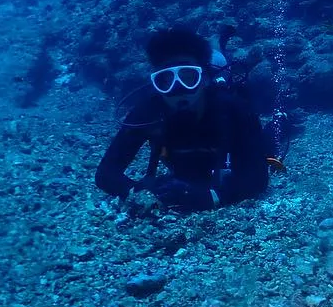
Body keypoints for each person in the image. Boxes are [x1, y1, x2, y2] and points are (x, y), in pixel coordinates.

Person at [96, 27, 272, 210]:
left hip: (226, 162)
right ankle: (215, 43)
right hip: (189, 173)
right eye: (166, 80)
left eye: (188, 77)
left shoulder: (232, 109)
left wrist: (211, 197)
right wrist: (141, 193)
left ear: (204, 78)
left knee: (269, 145)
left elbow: (257, 178)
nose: (178, 88)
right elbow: (106, 174)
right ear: (156, 84)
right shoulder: (147, 112)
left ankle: (280, 121)